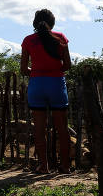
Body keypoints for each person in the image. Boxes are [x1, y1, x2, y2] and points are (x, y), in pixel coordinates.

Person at [20, 9, 72, 174]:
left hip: (36, 85)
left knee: (39, 129)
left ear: (35, 23)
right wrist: (54, 70)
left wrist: (36, 72)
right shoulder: (61, 37)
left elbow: (23, 69)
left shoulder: (28, 40)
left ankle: (44, 166)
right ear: (53, 22)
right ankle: (65, 166)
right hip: (56, 84)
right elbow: (68, 65)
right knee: (62, 128)